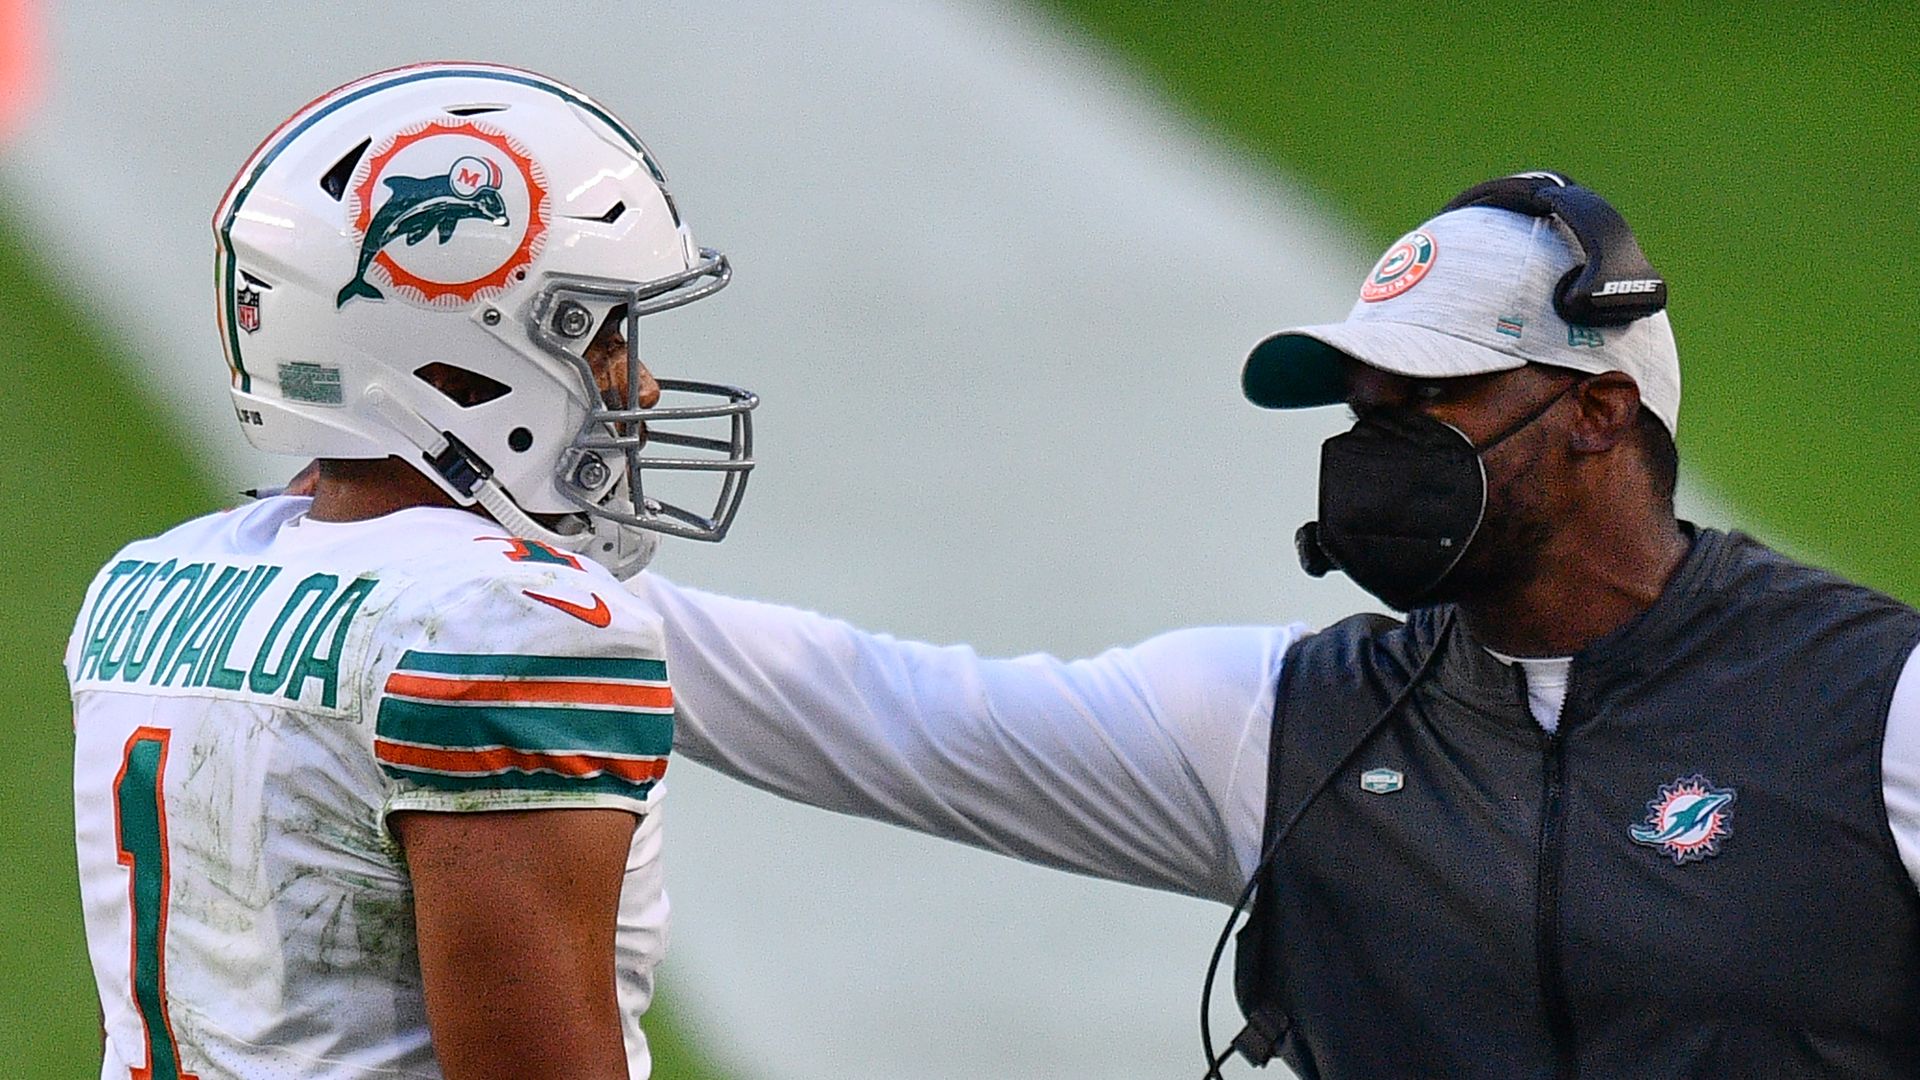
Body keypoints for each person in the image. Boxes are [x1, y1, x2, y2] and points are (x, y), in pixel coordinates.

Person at [628, 172, 1920, 1077]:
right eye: (1364, 414)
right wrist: (464, 563)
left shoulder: (1880, 703)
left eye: (1435, 400)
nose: (1378, 454)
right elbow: (868, 707)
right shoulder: (1287, 729)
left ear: (1597, 411)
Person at [66, 62, 756, 1079]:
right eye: (600, 333)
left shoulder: (150, 584)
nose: (640, 384)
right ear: (458, 364)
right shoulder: (506, 623)